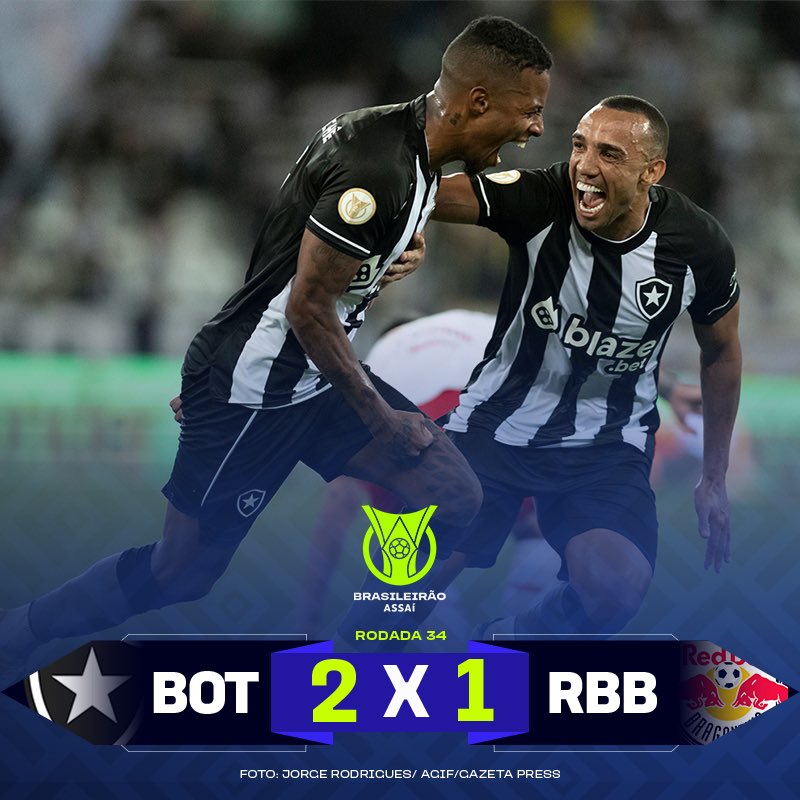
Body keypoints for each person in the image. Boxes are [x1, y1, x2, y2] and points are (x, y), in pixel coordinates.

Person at [0, 16, 554, 682]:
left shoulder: (414, 154)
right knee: (181, 572)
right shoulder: (376, 166)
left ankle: (358, 663)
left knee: (456, 495)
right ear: (478, 102)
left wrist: (384, 263)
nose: (536, 128)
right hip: (254, 388)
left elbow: (298, 260)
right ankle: (21, 631)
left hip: (313, 380)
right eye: (530, 110)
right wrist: (381, 418)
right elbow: (306, 307)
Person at [339, 95, 742, 643]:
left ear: (652, 172)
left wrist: (713, 476)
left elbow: (722, 352)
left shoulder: (698, 246)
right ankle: (341, 680)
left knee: (614, 591)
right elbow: (424, 194)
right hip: (491, 430)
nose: (584, 166)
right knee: (399, 594)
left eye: (609, 153)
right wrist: (401, 227)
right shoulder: (542, 198)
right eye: (579, 146)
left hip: (606, 448)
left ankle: (507, 641)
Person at [300, 311, 701, 633]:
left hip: (413, 423)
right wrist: (669, 389)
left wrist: (309, 613)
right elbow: (595, 350)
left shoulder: (378, 359)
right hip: (502, 423)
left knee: (415, 556)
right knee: (536, 527)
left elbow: (336, 512)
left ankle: (432, 650)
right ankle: (512, 638)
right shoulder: (491, 321)